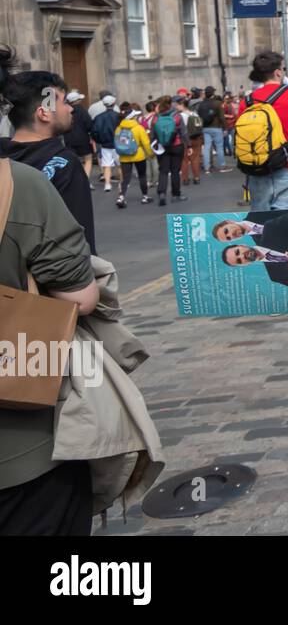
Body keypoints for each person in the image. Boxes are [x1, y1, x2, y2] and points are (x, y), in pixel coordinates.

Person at [0, 51, 101, 535]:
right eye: (63, 101)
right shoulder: (44, 171)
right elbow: (78, 291)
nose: (71, 109)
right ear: (43, 108)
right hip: (22, 390)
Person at [0, 65, 96, 254]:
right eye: (64, 102)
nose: (71, 109)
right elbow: (78, 241)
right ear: (44, 113)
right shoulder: (64, 163)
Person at [238, 51, 288, 211]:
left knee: (262, 222)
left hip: (257, 168)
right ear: (278, 72)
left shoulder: (248, 101)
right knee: (287, 223)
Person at [151, 95, 188, 206]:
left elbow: (153, 134)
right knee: (175, 171)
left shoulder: (156, 117)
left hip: (162, 147)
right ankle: (176, 194)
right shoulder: (177, 116)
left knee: (163, 171)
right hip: (176, 145)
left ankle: (162, 193)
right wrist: (189, 145)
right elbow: (183, 132)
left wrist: (154, 145)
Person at [113, 104, 152, 206]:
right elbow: (146, 143)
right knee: (142, 176)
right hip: (138, 155)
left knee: (125, 178)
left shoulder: (119, 128)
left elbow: (116, 141)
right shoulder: (138, 128)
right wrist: (150, 154)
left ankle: (121, 197)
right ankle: (145, 196)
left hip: (124, 156)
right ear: (132, 117)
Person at [197, 85, 230, 174]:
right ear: (213, 94)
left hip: (205, 128)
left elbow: (199, 115)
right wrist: (225, 128)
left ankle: (207, 167)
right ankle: (222, 166)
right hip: (216, 127)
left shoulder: (201, 104)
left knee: (207, 148)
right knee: (219, 147)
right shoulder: (217, 103)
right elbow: (222, 117)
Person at [63, 91, 94, 180]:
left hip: (69, 139)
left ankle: (75, 179)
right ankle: (86, 180)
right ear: (77, 100)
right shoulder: (83, 111)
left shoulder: (65, 111)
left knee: (73, 161)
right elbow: (89, 125)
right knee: (88, 159)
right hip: (83, 139)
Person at [177, 96, 204, 186]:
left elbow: (179, 129)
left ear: (182, 105)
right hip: (196, 138)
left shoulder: (180, 116)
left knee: (184, 160)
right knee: (195, 158)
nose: (176, 106)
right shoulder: (195, 114)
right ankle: (196, 178)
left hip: (185, 139)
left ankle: (185, 179)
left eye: (178, 105)